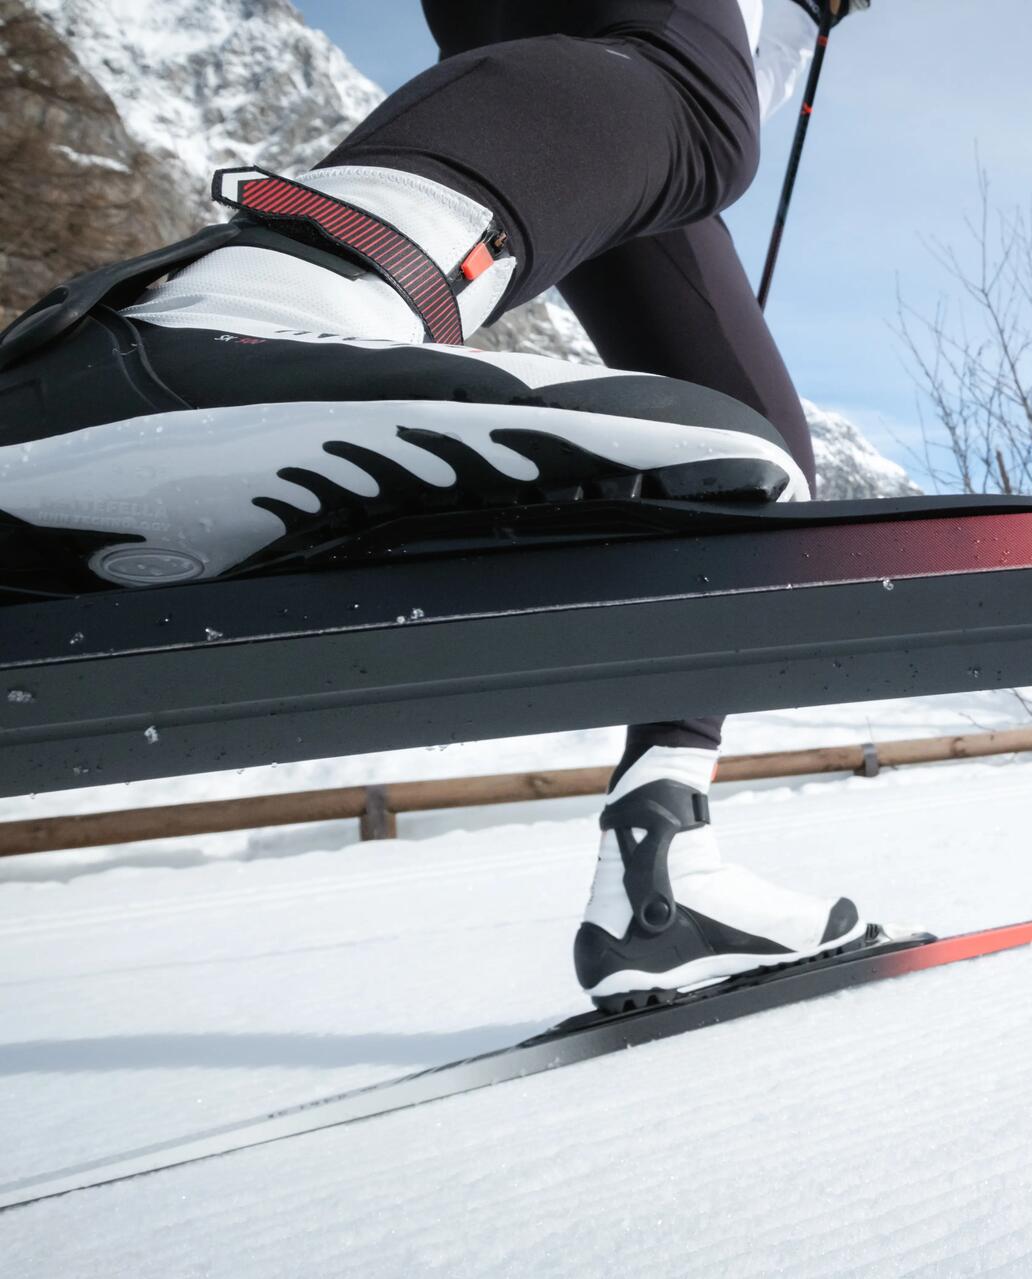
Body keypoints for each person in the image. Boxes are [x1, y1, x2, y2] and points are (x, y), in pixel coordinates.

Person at [0, 0, 872, 1011]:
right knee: (697, 100)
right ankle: (236, 315)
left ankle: (666, 865)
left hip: (606, 70)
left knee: (752, 458)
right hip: (649, 57)